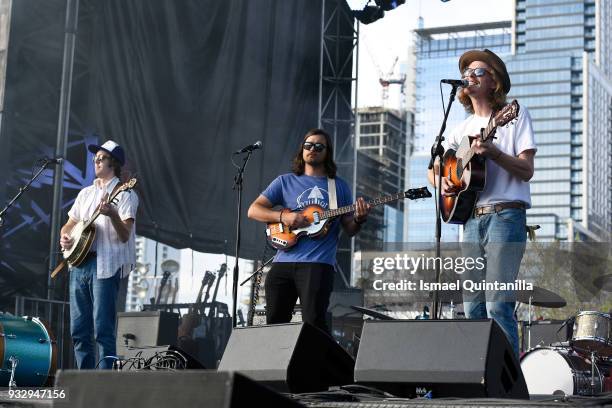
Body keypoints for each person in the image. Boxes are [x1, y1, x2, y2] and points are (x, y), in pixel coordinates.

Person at [428, 49, 536, 355]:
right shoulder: (460, 130)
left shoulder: (513, 116)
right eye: (467, 74)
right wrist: (445, 181)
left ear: (494, 82)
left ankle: (510, 386)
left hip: (505, 216)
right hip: (469, 221)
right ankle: (478, 382)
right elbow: (434, 171)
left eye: (478, 72)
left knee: (497, 305)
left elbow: (527, 170)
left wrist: (495, 154)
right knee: (472, 306)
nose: (469, 77)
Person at [248, 128, 370, 333]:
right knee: (274, 325)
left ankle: (317, 365)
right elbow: (254, 210)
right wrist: (283, 217)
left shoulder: (338, 187)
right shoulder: (284, 181)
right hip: (282, 263)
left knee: (314, 324)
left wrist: (359, 219)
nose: (312, 149)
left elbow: (349, 229)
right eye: (308, 145)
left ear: (327, 152)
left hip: (318, 264)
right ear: (302, 150)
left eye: (319, 146)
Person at [60, 140, 139, 369]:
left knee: (103, 330)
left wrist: (112, 214)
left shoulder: (125, 194)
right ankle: (83, 383)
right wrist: (65, 237)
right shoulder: (86, 193)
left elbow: (125, 235)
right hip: (79, 264)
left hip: (105, 266)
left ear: (113, 163)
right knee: (78, 330)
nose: (95, 160)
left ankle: (104, 386)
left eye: (101, 158)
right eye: (95, 158)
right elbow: (69, 225)